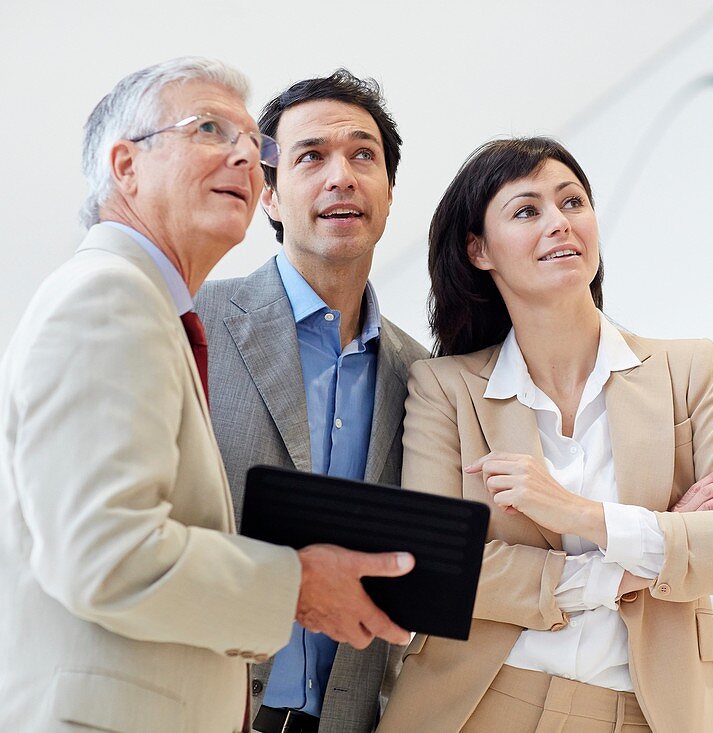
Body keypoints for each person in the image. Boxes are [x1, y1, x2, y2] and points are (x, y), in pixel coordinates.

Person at [0, 57, 414, 733]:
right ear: (127, 165)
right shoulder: (109, 297)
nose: (244, 159)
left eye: (254, 146)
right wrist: (298, 585)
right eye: (210, 130)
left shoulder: (150, 306)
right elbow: (107, 550)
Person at [380, 138, 713, 733]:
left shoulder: (688, 370)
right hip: (481, 707)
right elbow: (437, 570)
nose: (559, 223)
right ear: (478, 249)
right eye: (527, 210)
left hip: (650, 713)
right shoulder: (445, 389)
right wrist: (638, 561)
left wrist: (583, 515)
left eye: (572, 202)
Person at [195, 69, 429, 733]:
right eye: (311, 156)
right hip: (208, 706)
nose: (341, 176)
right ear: (267, 194)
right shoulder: (193, 324)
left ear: (388, 194)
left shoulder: (424, 377)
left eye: (364, 155)